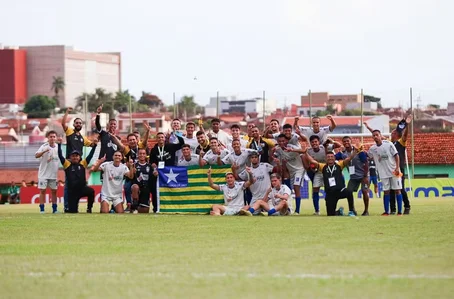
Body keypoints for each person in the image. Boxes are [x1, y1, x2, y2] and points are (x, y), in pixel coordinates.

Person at [61, 107, 95, 212]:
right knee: (68, 185)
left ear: (82, 125)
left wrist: (96, 141)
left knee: (79, 184)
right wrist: (67, 112)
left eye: (80, 123)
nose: (78, 124)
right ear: (74, 124)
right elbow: (63, 124)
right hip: (69, 162)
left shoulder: (83, 138)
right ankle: (67, 205)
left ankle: (77, 204)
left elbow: (91, 144)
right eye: (77, 123)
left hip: (79, 162)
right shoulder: (70, 132)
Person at [305, 150, 358, 216]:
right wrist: (305, 153)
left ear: (334, 158)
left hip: (340, 191)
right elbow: (312, 161)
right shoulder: (323, 167)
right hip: (330, 194)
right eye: (328, 157)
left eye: (332, 156)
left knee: (349, 192)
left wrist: (355, 151)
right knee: (330, 214)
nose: (330, 158)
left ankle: (351, 211)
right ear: (326, 159)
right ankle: (339, 212)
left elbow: (349, 158)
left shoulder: (339, 165)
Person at [368, 130, 403, 216]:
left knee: (397, 190)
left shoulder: (388, 144)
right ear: (372, 137)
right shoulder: (372, 149)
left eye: (377, 135)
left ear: (380, 136)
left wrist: (397, 168)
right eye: (374, 135)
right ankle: (386, 211)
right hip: (383, 173)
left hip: (394, 171)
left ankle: (399, 212)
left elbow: (396, 155)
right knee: (386, 191)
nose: (375, 136)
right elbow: (368, 156)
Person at [57, 138, 97, 213]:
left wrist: (94, 146)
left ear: (79, 157)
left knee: (91, 191)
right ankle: (72, 207)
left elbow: (90, 156)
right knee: (73, 212)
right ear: (70, 157)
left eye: (77, 156)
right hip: (72, 192)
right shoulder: (67, 165)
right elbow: (60, 155)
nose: (75, 157)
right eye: (73, 156)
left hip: (82, 189)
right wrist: (59, 145)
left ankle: (89, 208)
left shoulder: (83, 164)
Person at [149, 132, 185, 213]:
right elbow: (152, 161)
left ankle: (171, 207)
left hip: (169, 173)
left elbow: (182, 143)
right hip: (158, 173)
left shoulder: (171, 146)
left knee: (170, 190)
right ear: (156, 139)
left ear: (165, 138)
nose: (160, 139)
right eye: (158, 137)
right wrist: (153, 166)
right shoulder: (154, 149)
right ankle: (156, 208)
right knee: (156, 190)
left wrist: (176, 134)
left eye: (162, 137)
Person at [273, 134, 306, 215]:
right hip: (289, 172)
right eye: (280, 141)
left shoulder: (292, 147)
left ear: (286, 141)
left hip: (299, 170)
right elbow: (273, 155)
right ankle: (288, 208)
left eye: (283, 141)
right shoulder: (279, 150)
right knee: (288, 189)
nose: (281, 143)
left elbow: (304, 151)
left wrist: (292, 150)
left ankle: (297, 211)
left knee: (296, 187)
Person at [335, 136, 369, 216]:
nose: (346, 143)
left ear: (351, 141)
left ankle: (366, 211)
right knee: (348, 192)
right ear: (342, 143)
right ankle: (352, 210)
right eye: (344, 141)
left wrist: (365, 176)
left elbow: (366, 163)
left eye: (347, 141)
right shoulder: (343, 154)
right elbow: (332, 157)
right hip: (353, 177)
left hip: (363, 176)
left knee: (364, 191)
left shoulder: (359, 151)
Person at [390, 115, 412, 214]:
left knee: (400, 188)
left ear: (397, 135)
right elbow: (378, 137)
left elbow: (405, 136)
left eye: (394, 132)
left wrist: (406, 125)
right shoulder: (389, 143)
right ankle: (393, 209)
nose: (392, 133)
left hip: (399, 169)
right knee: (390, 189)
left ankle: (407, 206)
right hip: (390, 169)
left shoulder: (400, 143)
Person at [35, 130, 60, 213]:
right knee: (42, 191)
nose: (52, 138)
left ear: (56, 138)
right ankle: (42, 209)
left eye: (54, 136)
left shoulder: (58, 147)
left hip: (53, 174)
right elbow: (36, 155)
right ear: (48, 138)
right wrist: (44, 151)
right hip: (43, 174)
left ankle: (55, 209)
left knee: (54, 191)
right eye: (50, 137)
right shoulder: (44, 146)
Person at [131, 148, 153, 213]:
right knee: (135, 187)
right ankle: (134, 206)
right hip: (137, 188)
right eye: (140, 153)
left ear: (146, 155)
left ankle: (137, 207)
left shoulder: (149, 166)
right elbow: (130, 177)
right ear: (138, 155)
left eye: (143, 153)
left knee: (144, 211)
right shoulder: (134, 165)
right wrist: (132, 171)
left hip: (146, 189)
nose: (142, 155)